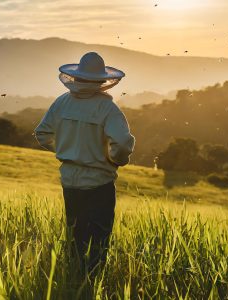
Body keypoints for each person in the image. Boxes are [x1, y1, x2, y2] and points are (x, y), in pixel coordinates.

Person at [34, 52, 135, 275]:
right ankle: (91, 284)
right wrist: (114, 160)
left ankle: (74, 280)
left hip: (69, 180)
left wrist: (66, 150)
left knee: (75, 236)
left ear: (77, 77)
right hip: (100, 182)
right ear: (101, 81)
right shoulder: (108, 108)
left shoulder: (61, 102)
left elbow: (42, 134)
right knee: (98, 240)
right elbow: (122, 143)